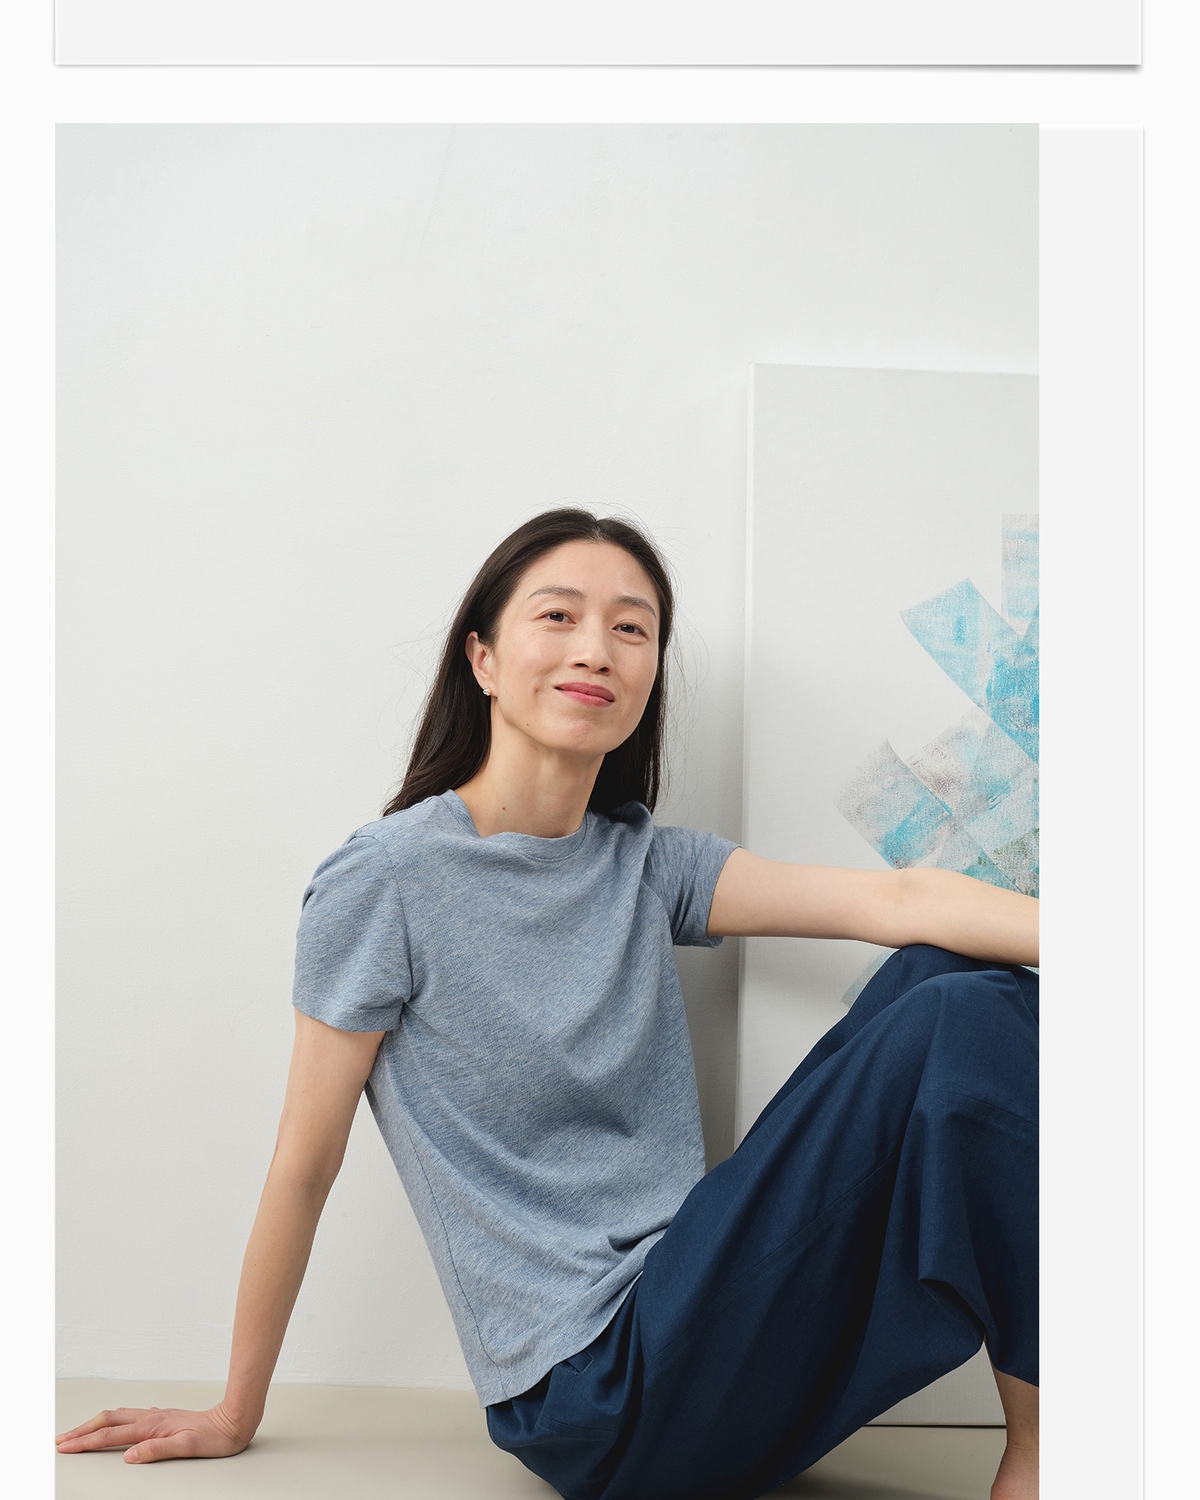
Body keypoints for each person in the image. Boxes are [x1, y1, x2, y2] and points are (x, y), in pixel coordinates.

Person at [56, 509, 1039, 1500]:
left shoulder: (645, 863)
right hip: (593, 1392)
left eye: (630, 628)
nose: (595, 649)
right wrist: (235, 1409)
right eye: (559, 616)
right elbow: (304, 1163)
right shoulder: (385, 882)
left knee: (943, 973)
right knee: (953, 1019)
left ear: (649, 676)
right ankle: (1048, 1450)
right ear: (482, 659)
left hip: (712, 1333)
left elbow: (896, 901)